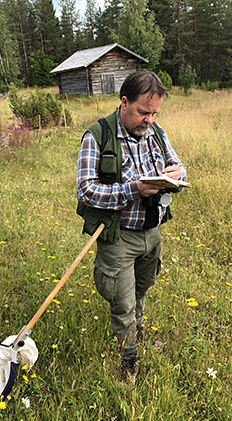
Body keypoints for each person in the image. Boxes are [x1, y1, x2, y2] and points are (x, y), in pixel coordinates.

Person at [76, 70, 187, 384]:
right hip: (118, 235)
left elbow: (178, 165)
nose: (149, 120)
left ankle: (136, 336)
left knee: (141, 291)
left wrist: (176, 176)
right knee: (122, 303)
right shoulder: (97, 136)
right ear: (124, 102)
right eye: (143, 112)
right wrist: (132, 190)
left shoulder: (157, 132)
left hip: (152, 232)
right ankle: (127, 363)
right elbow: (86, 190)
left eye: (154, 113)